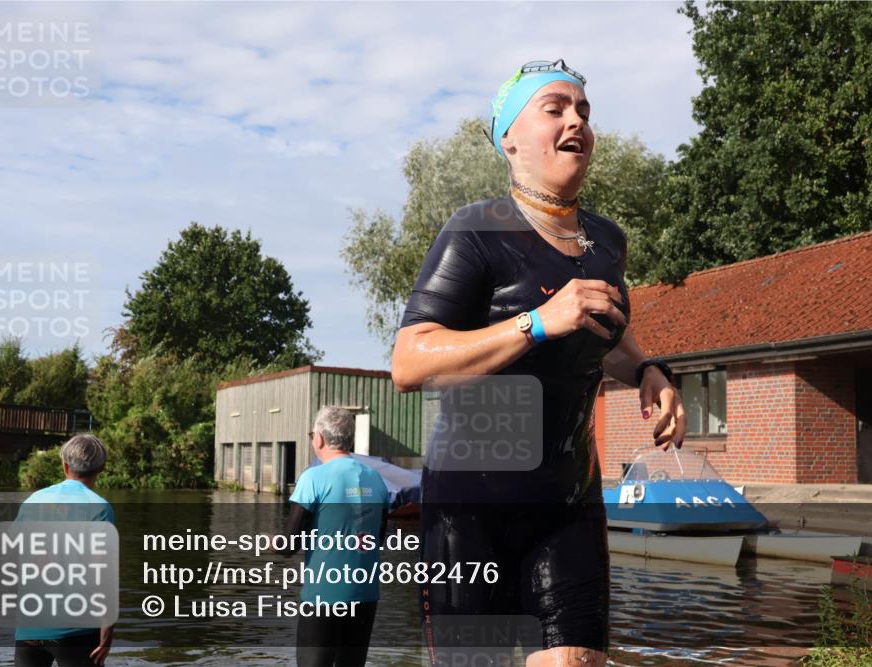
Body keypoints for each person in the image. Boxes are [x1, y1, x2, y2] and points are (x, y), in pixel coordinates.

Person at [391, 59, 687, 666]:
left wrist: (649, 370)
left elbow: (608, 329)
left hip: (568, 502)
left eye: (583, 111)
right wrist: (535, 324)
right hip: (471, 513)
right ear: (510, 139)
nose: (575, 120)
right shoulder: (476, 230)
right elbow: (410, 361)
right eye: (554, 108)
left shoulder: (607, 242)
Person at [282, 406, 390, 667]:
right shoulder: (377, 479)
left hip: (324, 596)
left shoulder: (313, 478)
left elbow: (288, 545)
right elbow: (380, 538)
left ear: (318, 438)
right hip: (365, 595)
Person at [14, 434, 115, 667]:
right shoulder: (99, 508)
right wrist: (107, 634)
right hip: (76, 629)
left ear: (65, 465)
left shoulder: (32, 501)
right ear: (102, 467)